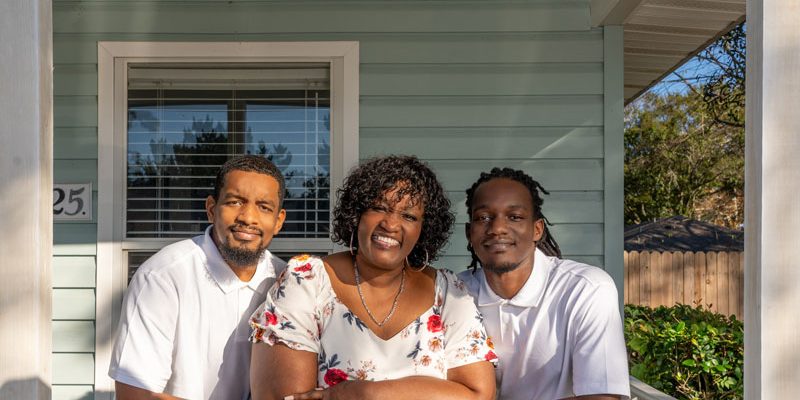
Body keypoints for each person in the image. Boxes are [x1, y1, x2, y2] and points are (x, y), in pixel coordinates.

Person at [249, 155, 497, 400]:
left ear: (424, 229)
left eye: (409, 216)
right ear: (357, 214)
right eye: (379, 208)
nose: (390, 224)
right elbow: (283, 396)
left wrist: (364, 393)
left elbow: (477, 394)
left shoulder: (448, 293)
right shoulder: (307, 280)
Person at [108, 155, 288, 400]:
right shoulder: (162, 277)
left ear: (278, 221)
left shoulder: (287, 283)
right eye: (235, 202)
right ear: (211, 209)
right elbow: (136, 394)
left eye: (264, 207)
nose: (248, 217)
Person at [457, 167, 630, 400]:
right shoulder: (453, 294)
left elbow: (601, 396)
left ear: (537, 229)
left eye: (515, 217)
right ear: (470, 232)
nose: (497, 228)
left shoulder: (586, 289)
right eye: (483, 218)